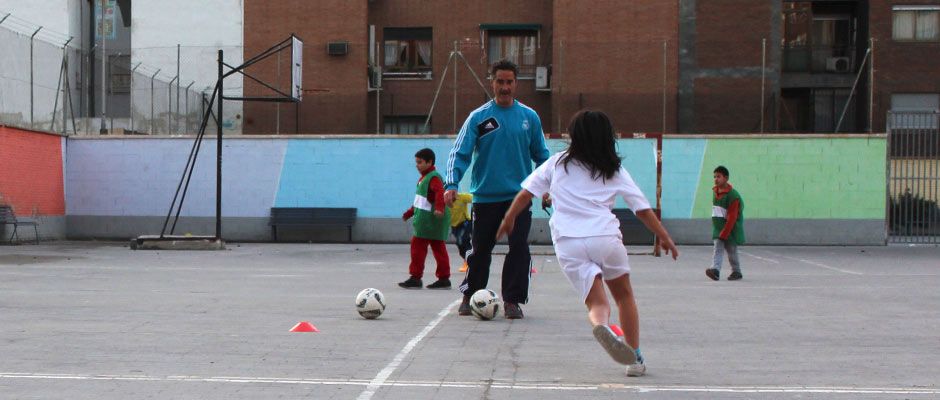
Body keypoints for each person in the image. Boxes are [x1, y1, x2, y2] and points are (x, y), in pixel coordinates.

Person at [496, 110, 679, 377]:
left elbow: (526, 193)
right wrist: (664, 235)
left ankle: (601, 325)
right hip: (605, 238)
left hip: (568, 242)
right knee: (624, 296)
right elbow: (640, 208)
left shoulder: (557, 163)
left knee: (596, 303)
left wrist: (509, 218)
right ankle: (635, 358)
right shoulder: (613, 168)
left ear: (574, 136)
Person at [444, 59, 551, 319]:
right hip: (485, 198)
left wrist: (548, 187)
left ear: (516, 84)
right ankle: (471, 295)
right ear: (491, 83)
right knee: (480, 249)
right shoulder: (479, 118)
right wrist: (451, 184)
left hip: (519, 198)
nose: (505, 87)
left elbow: (543, 157)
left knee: (519, 248)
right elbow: (460, 154)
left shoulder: (529, 117)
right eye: (500, 82)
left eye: (509, 82)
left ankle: (512, 301)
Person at [399, 148, 452, 290]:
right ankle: (444, 278)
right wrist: (409, 213)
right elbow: (420, 201)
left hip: (430, 221)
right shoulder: (424, 179)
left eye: (420, 162)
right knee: (438, 248)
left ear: (430, 162)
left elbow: (440, 192)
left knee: (418, 247)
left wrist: (439, 208)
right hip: (428, 221)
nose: (417, 165)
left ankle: (416, 278)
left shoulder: (433, 177)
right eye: (416, 162)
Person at [705, 165, 745, 281]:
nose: (716, 179)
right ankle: (715, 270)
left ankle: (737, 272)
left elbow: (732, 217)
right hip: (719, 228)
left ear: (726, 178)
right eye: (714, 176)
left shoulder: (733, 196)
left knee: (732, 251)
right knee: (717, 248)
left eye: (718, 176)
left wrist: (725, 232)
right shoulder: (715, 191)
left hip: (729, 229)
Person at [449, 192, 474, 272]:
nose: (452, 194)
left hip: (465, 223)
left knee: (463, 240)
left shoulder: (462, 197)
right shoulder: (444, 200)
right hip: (454, 226)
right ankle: (468, 259)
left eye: (453, 192)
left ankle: (469, 262)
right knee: (459, 244)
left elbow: (474, 198)